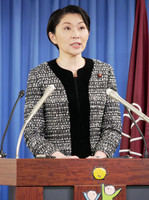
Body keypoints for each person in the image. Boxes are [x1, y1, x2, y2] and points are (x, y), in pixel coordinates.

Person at [24, 5, 121, 159]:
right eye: (67, 28)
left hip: (98, 169)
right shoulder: (39, 75)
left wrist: (99, 156)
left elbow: (113, 126)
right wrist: (58, 157)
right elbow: (32, 130)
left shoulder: (104, 71)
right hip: (56, 171)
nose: (76, 34)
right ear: (53, 36)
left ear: (88, 33)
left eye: (81, 28)